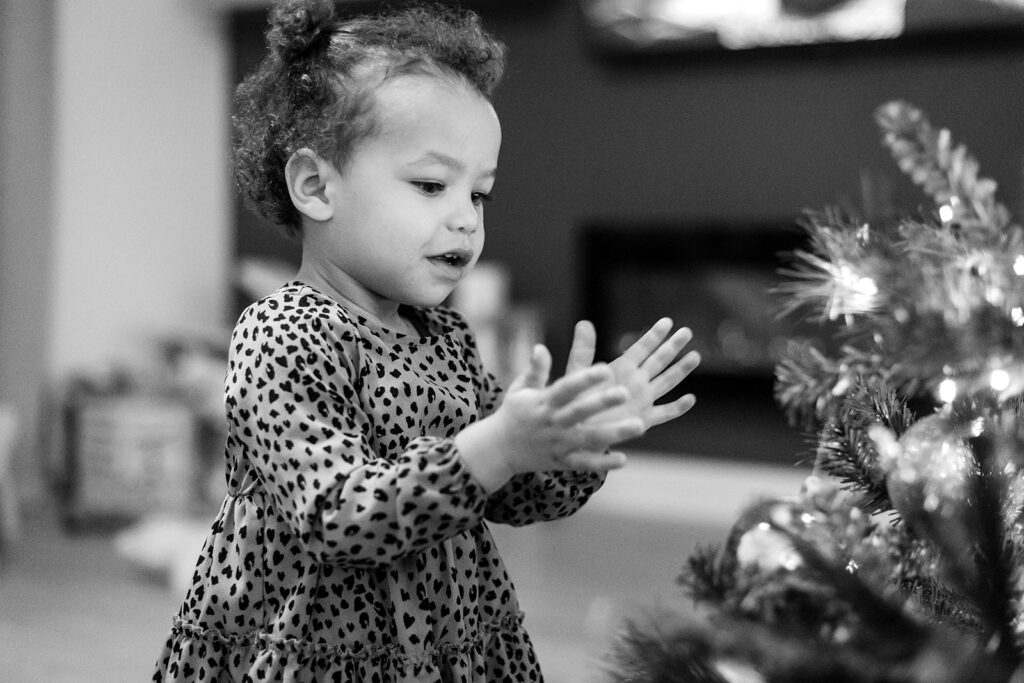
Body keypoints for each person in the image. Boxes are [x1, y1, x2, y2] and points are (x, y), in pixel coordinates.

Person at [152, 1, 700, 680]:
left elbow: (508, 493)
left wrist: (568, 438)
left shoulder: (443, 334)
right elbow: (340, 517)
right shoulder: (281, 335)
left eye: (480, 195)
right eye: (432, 185)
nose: (465, 220)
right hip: (318, 648)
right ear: (316, 185)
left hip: (444, 636)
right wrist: (493, 444)